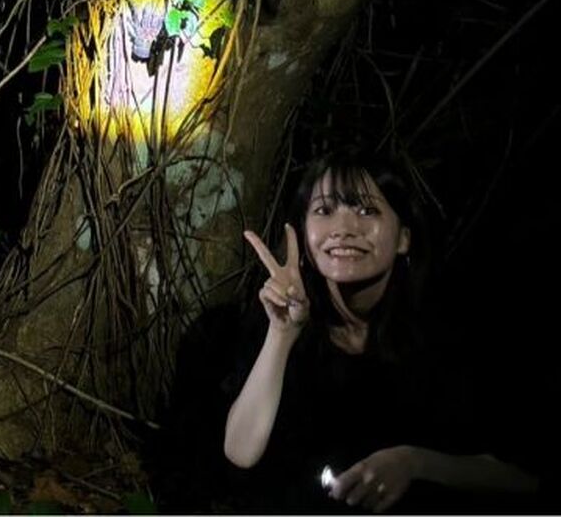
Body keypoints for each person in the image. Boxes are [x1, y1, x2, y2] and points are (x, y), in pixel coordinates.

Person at [221, 149, 539, 513]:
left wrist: (414, 463)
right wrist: (282, 333)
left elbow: (522, 477)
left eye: (366, 210)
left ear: (404, 237)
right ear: (304, 237)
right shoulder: (278, 319)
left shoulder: (450, 331)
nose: (343, 229)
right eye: (325, 210)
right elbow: (241, 452)